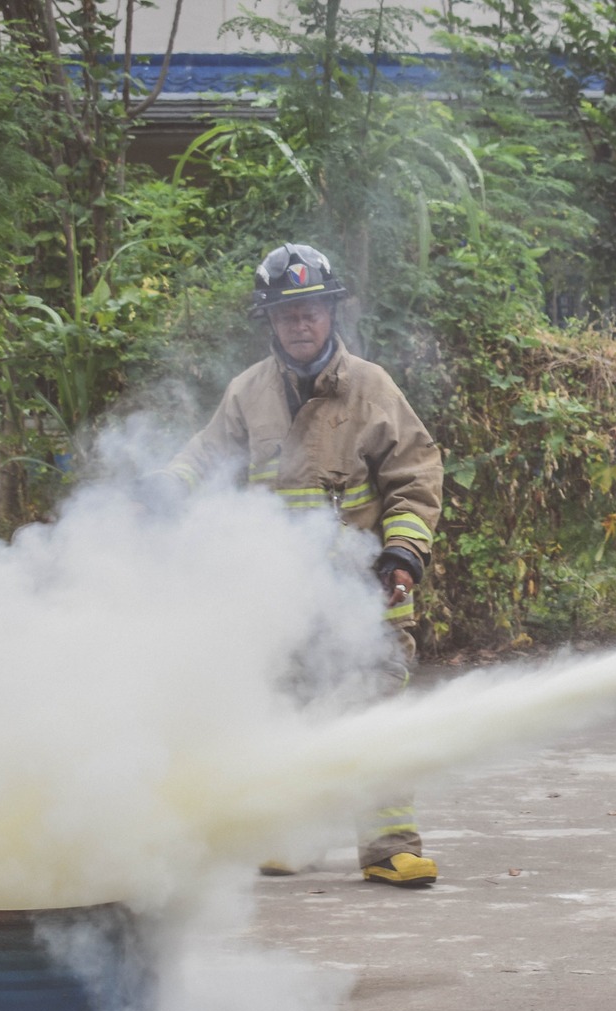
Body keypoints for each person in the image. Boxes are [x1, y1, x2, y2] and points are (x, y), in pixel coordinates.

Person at [164, 243, 444, 888]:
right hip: (279, 596)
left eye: (312, 308)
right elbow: (205, 457)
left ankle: (389, 848)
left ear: (331, 312)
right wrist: (164, 486)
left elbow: (416, 476)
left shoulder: (371, 387)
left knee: (375, 714)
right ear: (269, 319)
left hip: (363, 593)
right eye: (287, 312)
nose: (300, 322)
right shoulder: (247, 393)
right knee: (284, 714)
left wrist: (404, 550)